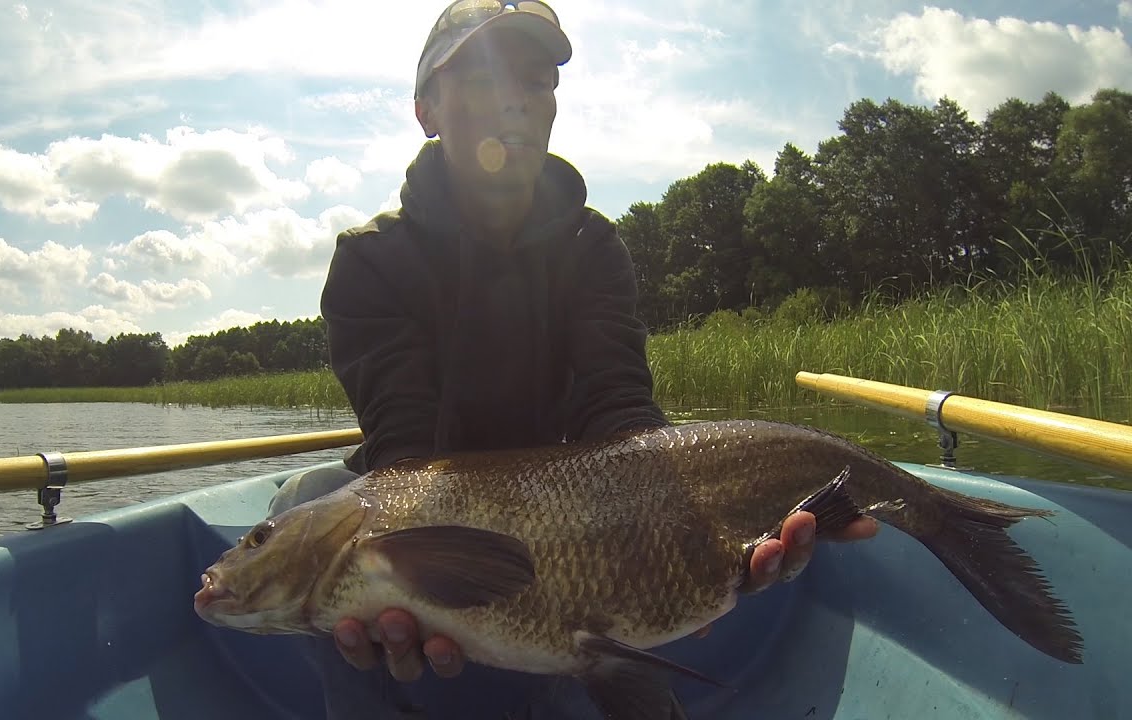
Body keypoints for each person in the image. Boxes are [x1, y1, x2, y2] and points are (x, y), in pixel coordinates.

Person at [267, 1, 879, 717]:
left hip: (579, 500)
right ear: (426, 109)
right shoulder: (371, 259)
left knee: (638, 567)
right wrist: (426, 574)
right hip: (431, 495)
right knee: (297, 508)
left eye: (537, 81)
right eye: (480, 78)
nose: (515, 98)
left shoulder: (593, 248)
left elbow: (618, 407)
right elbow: (404, 449)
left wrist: (672, 542)